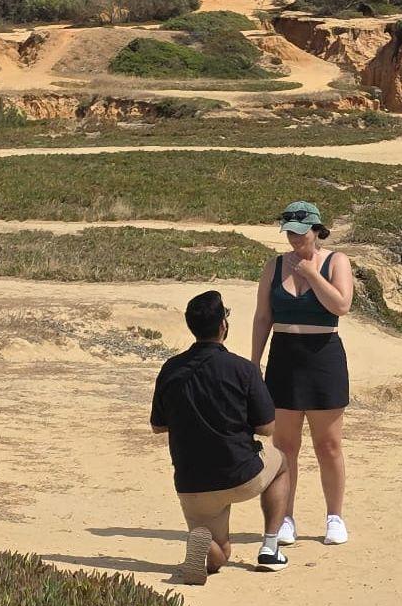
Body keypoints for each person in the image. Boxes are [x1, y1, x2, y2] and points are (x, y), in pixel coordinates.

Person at [151, 290, 291, 585]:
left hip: (192, 483)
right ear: (223, 326)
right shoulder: (243, 369)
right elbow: (267, 428)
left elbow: (158, 426)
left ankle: (205, 544)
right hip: (241, 474)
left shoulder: (170, 369)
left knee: (219, 556)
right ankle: (269, 546)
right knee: (282, 465)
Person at [253, 201, 354, 548]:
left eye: (300, 233)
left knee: (329, 445)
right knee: (284, 447)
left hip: (323, 358)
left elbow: (341, 305)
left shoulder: (336, 261)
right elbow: (263, 317)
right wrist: (255, 362)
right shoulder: (274, 265)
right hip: (284, 359)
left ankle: (334, 516)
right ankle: (285, 518)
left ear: (316, 230)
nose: (295, 240)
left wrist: (311, 274)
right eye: (290, 234)